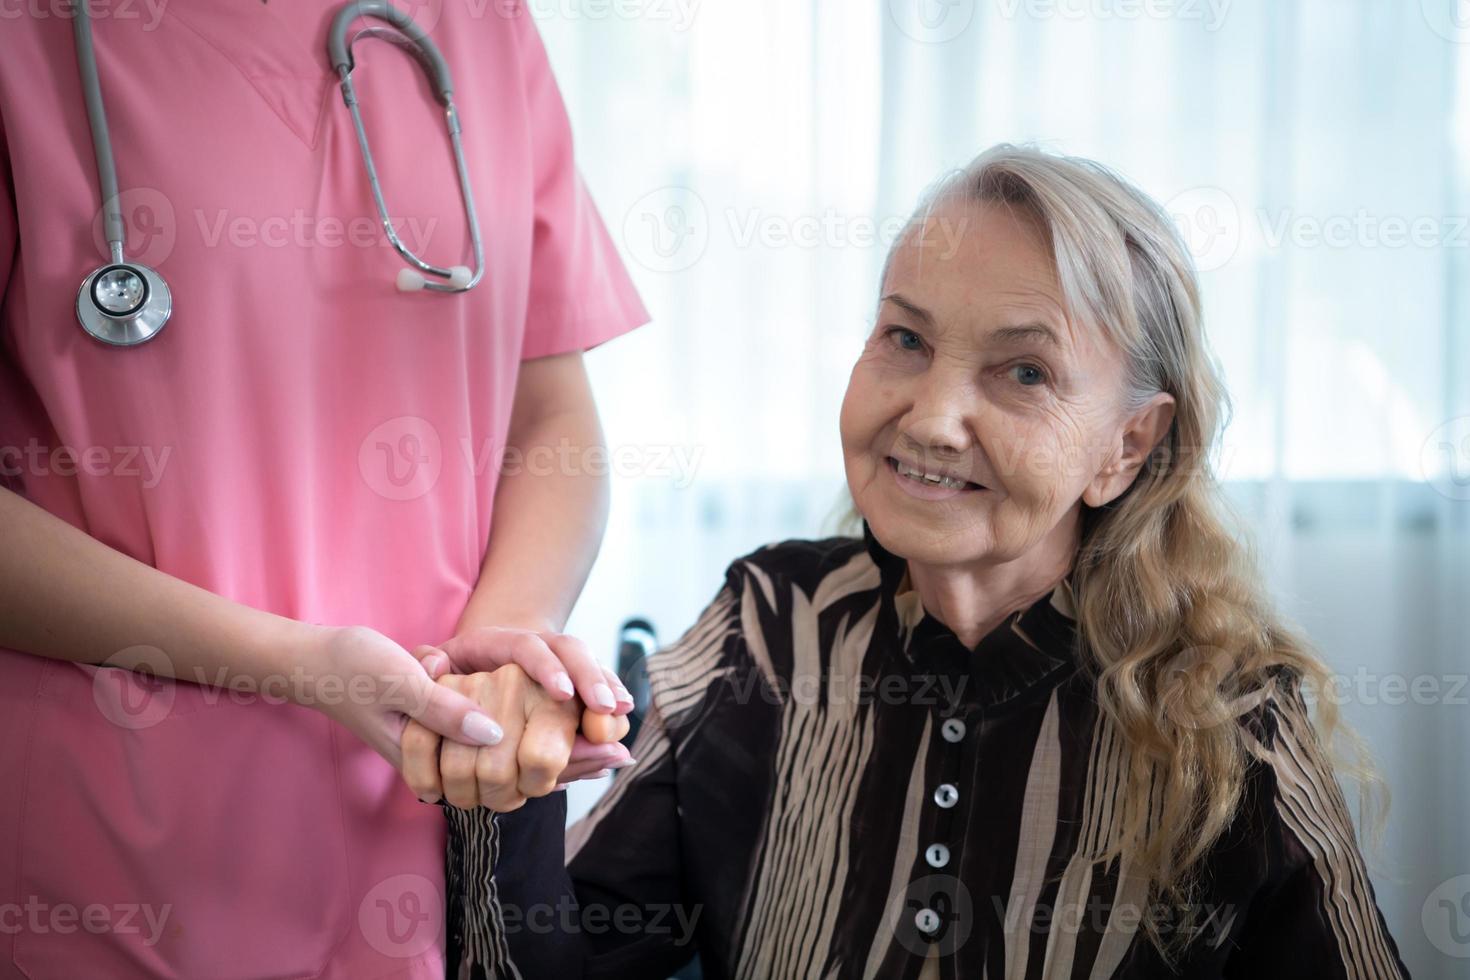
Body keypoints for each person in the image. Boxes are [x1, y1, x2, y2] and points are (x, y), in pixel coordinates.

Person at [403, 144, 1411, 979]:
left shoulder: (1229, 710)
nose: (930, 416)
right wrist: (512, 770)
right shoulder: (770, 625)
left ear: (1128, 446)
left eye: (1024, 370)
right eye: (905, 338)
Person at [0, 1, 641, 977]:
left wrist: (494, 653)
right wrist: (300, 662)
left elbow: (550, 409)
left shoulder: (483, 22)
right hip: (120, 863)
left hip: (443, 833)